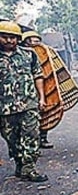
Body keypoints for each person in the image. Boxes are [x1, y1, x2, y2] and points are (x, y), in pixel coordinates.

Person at [0, 21, 48, 182]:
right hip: (5, 107)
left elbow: (38, 76)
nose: (9, 41)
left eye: (13, 38)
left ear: (18, 38)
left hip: (29, 104)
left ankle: (30, 168)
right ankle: (20, 163)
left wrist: (41, 97)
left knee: (32, 136)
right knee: (12, 139)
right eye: (5, 37)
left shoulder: (29, 54)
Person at [19, 30, 55, 149]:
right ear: (26, 42)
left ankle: (42, 138)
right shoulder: (22, 55)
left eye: (38, 40)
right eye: (34, 41)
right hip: (22, 92)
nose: (37, 43)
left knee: (43, 113)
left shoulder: (43, 53)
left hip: (41, 87)